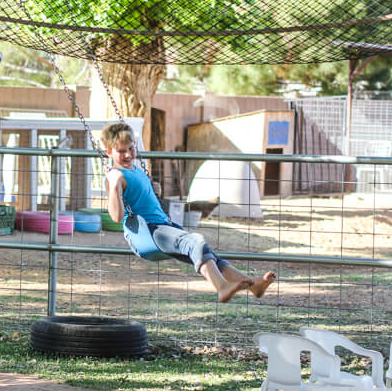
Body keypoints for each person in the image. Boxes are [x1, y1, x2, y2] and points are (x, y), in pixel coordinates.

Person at [101, 122, 275, 303]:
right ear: (109, 152)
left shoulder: (135, 170)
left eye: (131, 148)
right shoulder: (115, 176)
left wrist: (153, 189)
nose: (128, 154)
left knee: (209, 256)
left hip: (164, 226)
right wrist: (114, 186)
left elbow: (140, 196)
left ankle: (254, 285)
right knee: (194, 241)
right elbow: (116, 217)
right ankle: (222, 287)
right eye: (121, 151)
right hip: (149, 233)